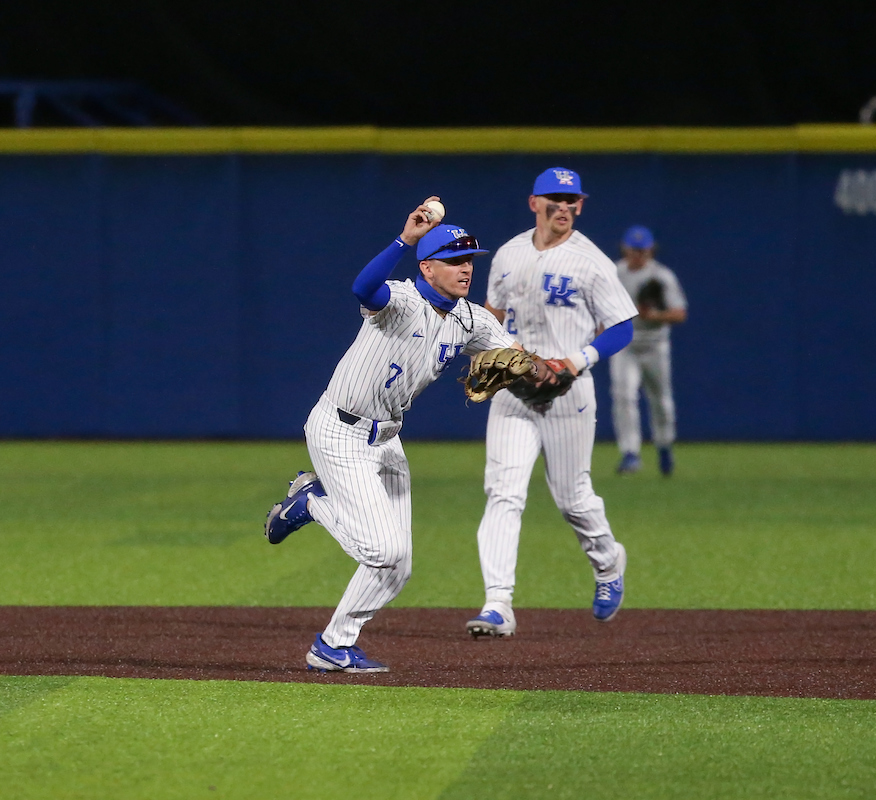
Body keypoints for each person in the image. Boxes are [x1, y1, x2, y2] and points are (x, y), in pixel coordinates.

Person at [263, 197, 519, 672]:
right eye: (454, 261)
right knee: (385, 549)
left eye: (469, 261)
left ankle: (332, 645)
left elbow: (516, 357)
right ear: (427, 266)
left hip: (387, 440)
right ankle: (310, 502)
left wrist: (544, 369)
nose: (466, 269)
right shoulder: (400, 300)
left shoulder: (471, 319)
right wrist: (405, 237)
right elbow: (363, 286)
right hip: (340, 429)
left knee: (398, 566)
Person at [466, 167, 638, 638]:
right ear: (534, 202)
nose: (563, 207)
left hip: (569, 393)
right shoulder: (508, 255)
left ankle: (607, 565)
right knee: (503, 492)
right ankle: (497, 604)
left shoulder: (592, 261)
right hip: (514, 393)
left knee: (573, 499)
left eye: (571, 200)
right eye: (554, 199)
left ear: (580, 206)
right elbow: (493, 317)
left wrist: (577, 359)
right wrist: (485, 350)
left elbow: (622, 325)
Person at [610, 225, 688, 476]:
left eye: (643, 251)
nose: (639, 255)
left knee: (661, 401)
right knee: (624, 396)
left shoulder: (662, 276)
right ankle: (630, 453)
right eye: (634, 250)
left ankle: (664, 446)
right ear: (625, 249)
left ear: (651, 250)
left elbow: (679, 313)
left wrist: (655, 315)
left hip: (655, 345)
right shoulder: (615, 273)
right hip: (626, 344)